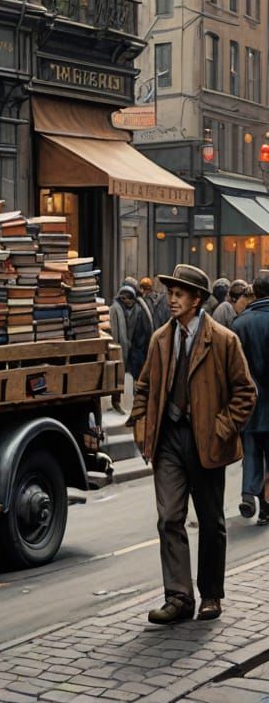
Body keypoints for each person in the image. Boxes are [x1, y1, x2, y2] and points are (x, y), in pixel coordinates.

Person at [128, 263, 255, 624]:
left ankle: (211, 595)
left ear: (197, 299)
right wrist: (141, 423)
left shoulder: (223, 340)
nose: (171, 300)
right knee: (169, 517)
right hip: (168, 439)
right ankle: (179, 597)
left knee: (211, 521)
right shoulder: (160, 339)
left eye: (179, 294)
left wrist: (221, 427)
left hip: (206, 441)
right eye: (170, 293)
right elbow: (144, 386)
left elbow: (246, 392)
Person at [233, 273, 269, 525]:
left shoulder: (239, 323)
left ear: (253, 293)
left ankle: (249, 493)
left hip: (249, 402)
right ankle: (267, 507)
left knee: (251, 451)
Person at [109, 284, 142, 413]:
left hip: (125, 347)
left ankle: (117, 400)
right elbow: (114, 331)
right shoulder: (115, 309)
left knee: (121, 376)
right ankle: (115, 401)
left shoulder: (130, 310)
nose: (131, 302)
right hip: (117, 348)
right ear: (123, 298)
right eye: (129, 299)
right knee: (117, 376)